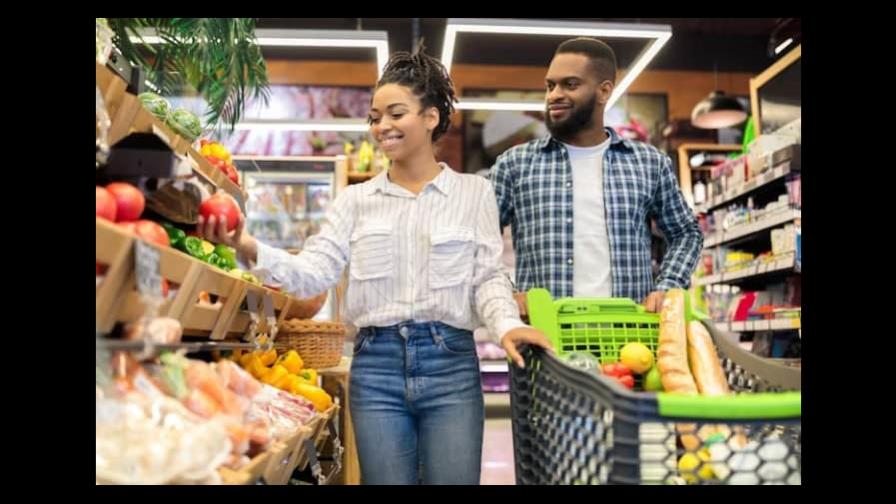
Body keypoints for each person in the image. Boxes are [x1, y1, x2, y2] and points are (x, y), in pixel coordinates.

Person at [197, 46, 552, 485]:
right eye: (374, 117)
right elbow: (314, 271)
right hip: (376, 367)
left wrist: (505, 325)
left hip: (451, 366)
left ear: (431, 118)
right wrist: (247, 245)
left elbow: (487, 276)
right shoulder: (355, 202)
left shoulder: (473, 193)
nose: (381, 126)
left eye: (395, 113)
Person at [489, 37, 703, 315]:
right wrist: (506, 293)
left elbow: (686, 233)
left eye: (570, 84)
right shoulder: (514, 164)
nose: (554, 94)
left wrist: (669, 286)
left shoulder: (648, 163)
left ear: (603, 91)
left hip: (628, 338)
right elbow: (477, 240)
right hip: (543, 338)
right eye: (550, 85)